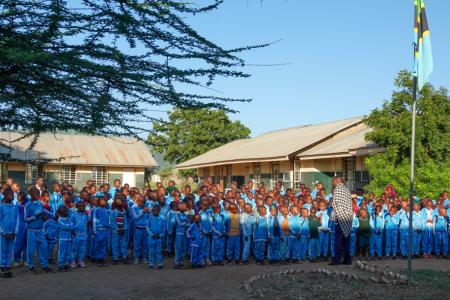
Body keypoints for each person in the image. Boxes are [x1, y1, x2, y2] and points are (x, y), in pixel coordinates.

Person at [25, 187, 54, 274]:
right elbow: (25, 219)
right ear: (30, 195)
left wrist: (47, 217)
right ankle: (31, 266)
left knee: (43, 248)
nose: (37, 195)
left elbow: (44, 212)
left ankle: (44, 266)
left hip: (40, 230)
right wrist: (35, 216)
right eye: (35, 193)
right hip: (32, 231)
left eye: (38, 193)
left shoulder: (40, 204)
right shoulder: (28, 205)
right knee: (31, 250)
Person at [329, 177, 353, 265]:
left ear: (337, 181)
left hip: (341, 218)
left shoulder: (337, 190)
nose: (333, 183)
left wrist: (333, 217)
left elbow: (336, 206)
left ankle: (336, 260)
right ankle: (348, 259)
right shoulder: (347, 190)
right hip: (348, 218)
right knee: (346, 241)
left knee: (338, 241)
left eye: (333, 181)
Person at [0, 189, 19, 278]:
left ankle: (8, 266)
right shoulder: (1, 207)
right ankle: (3, 266)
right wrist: (3, 232)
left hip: (12, 233)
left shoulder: (14, 207)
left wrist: (15, 232)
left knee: (10, 250)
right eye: (11, 195)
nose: (12, 196)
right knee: (3, 250)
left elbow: (17, 219)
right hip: (3, 234)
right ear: (5, 196)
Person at [92, 196, 110, 267]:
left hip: (105, 231)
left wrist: (108, 228)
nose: (103, 202)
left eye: (104, 201)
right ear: (98, 202)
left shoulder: (107, 210)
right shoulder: (96, 210)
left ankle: (102, 258)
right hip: (98, 230)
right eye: (102, 201)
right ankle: (97, 258)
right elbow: (94, 220)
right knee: (97, 245)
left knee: (103, 245)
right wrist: (94, 230)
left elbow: (108, 220)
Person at [110, 195, 128, 265]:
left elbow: (125, 221)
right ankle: (115, 258)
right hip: (116, 231)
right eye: (117, 202)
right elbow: (112, 222)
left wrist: (124, 228)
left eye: (120, 202)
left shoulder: (123, 211)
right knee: (115, 244)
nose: (119, 203)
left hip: (123, 231)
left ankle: (124, 257)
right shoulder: (113, 211)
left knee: (123, 244)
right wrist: (117, 229)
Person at [131, 194, 149, 264]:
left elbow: (149, 217)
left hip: (145, 228)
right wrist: (143, 212)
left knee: (145, 244)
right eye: (140, 201)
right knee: (137, 244)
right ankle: (136, 257)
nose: (142, 203)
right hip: (138, 228)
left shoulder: (146, 207)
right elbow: (135, 218)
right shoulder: (134, 207)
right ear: (137, 201)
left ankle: (144, 257)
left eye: (143, 202)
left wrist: (149, 212)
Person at [70, 201, 88, 268]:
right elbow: (71, 224)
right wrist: (73, 231)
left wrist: (86, 232)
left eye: (83, 206)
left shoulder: (85, 215)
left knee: (82, 249)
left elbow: (86, 224)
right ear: (77, 207)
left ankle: (80, 261)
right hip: (76, 234)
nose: (81, 208)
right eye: (79, 206)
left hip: (84, 235)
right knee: (74, 248)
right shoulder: (73, 215)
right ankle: (73, 261)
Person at [56, 206, 74, 272]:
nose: (66, 212)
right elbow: (66, 227)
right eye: (65, 211)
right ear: (61, 213)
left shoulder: (68, 219)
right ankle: (60, 265)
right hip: (62, 239)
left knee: (68, 252)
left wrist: (69, 227)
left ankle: (66, 264)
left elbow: (72, 226)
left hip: (69, 238)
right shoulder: (59, 220)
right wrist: (69, 227)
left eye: (66, 211)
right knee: (61, 252)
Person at [13, 191, 27, 267]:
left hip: (27, 225)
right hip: (19, 227)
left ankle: (25, 259)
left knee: (26, 243)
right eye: (18, 197)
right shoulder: (16, 205)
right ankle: (16, 259)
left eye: (20, 197)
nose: (18, 198)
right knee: (18, 244)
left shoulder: (28, 203)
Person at [174, 202, 189, 269]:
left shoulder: (185, 215)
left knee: (183, 247)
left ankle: (181, 262)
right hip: (179, 234)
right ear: (179, 207)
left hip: (184, 233)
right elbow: (179, 223)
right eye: (183, 206)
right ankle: (177, 262)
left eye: (185, 206)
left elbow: (189, 223)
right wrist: (185, 223)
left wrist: (186, 223)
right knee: (178, 248)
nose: (184, 207)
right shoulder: (176, 214)